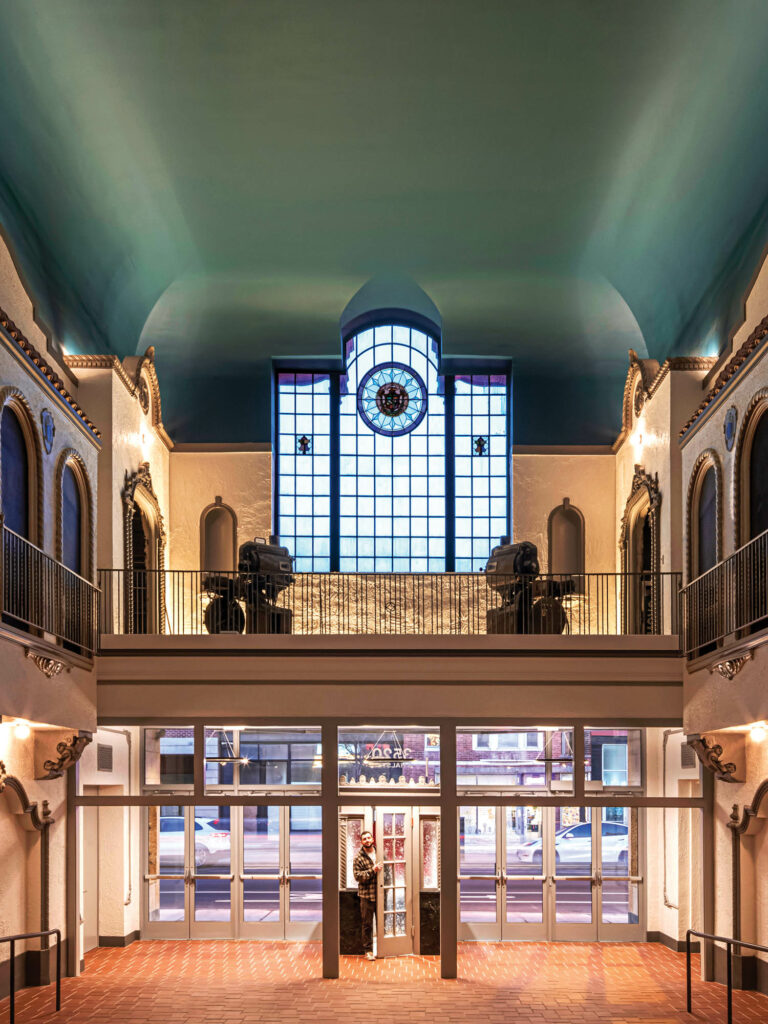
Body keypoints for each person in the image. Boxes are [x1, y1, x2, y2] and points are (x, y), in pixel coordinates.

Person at [352, 829, 382, 960]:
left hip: (381, 894)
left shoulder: (380, 853)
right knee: (367, 924)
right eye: (364, 839)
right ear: (361, 842)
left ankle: (384, 949)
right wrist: (372, 870)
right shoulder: (358, 858)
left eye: (369, 838)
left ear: (373, 839)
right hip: (367, 896)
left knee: (382, 922)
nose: (367, 840)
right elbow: (358, 877)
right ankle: (368, 951)